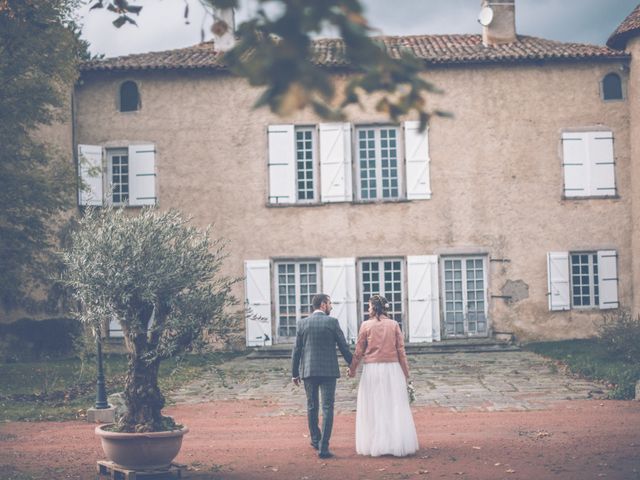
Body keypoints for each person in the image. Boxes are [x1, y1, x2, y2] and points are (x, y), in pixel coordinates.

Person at [348, 294, 419, 457]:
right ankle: (394, 442)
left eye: (369, 306)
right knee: (393, 404)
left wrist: (352, 369)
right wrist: (406, 373)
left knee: (374, 405)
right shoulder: (394, 325)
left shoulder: (365, 325)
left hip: (372, 369)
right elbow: (401, 351)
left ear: (374, 308)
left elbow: (359, 351)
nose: (367, 309)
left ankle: (376, 442)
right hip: (393, 369)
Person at [292, 293, 353, 459]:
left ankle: (315, 439)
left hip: (309, 371)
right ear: (324, 304)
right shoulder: (332, 322)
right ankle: (323, 448)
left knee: (312, 406)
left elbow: (296, 351)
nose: (331, 307)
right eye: (330, 303)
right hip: (328, 372)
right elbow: (343, 347)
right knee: (327, 408)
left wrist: (294, 373)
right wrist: (352, 364)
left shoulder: (302, 323)